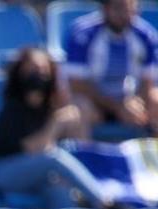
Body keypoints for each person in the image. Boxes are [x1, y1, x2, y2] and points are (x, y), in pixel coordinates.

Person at [0, 47, 111, 209]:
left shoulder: (48, 108)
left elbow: (67, 143)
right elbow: (35, 150)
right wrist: (55, 123)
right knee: (54, 158)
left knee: (57, 189)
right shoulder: (13, 109)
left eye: (43, 70)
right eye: (33, 69)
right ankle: (102, 201)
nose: (38, 75)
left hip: (29, 174)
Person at [65, 0, 158, 137]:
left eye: (129, 9)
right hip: (94, 102)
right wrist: (117, 108)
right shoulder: (83, 34)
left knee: (155, 100)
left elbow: (147, 83)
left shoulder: (146, 35)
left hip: (128, 101)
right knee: (79, 108)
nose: (124, 15)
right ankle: (86, 155)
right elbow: (77, 86)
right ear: (105, 9)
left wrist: (136, 103)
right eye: (118, 8)